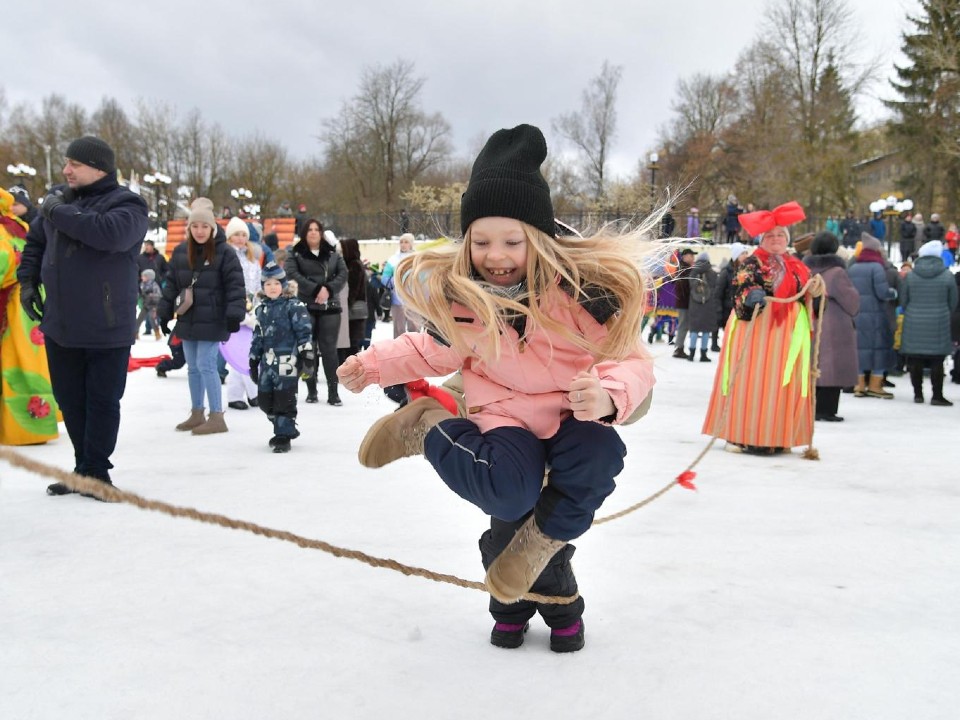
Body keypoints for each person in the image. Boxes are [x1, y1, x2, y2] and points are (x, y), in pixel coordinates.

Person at [336, 124, 656, 653]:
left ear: (540, 240)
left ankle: (541, 545)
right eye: (481, 241)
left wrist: (608, 396)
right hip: (504, 416)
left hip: (573, 412)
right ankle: (428, 427)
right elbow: (426, 351)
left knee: (600, 457)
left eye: (513, 240)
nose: (496, 254)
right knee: (509, 491)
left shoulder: (584, 295)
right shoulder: (466, 300)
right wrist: (370, 367)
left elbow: (632, 358)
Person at [17, 136, 149, 496]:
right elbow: (36, 243)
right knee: (70, 398)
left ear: (98, 167)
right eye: (65, 163)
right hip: (62, 323)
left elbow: (107, 235)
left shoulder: (128, 204)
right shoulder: (61, 201)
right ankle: (83, 468)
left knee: (102, 400)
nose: (66, 170)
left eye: (73, 164)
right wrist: (27, 281)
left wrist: (56, 209)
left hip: (107, 324)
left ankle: (97, 471)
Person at [702, 201, 821, 455]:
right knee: (750, 379)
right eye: (770, 235)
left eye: (780, 235)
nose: (776, 239)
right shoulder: (752, 262)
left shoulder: (797, 264)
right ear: (762, 239)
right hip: (756, 329)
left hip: (788, 335)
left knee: (782, 383)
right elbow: (743, 282)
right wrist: (752, 293)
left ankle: (778, 435)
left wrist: (815, 291)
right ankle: (740, 434)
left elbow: (806, 289)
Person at [158, 198, 246, 435]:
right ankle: (197, 412)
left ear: (212, 228)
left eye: (204, 226)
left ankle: (216, 415)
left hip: (213, 317)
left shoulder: (225, 253)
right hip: (187, 318)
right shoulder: (179, 252)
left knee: (206, 365)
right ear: (189, 228)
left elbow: (235, 286)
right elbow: (171, 286)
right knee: (193, 368)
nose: (199, 231)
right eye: (195, 226)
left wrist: (233, 314)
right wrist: (164, 312)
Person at [0, 188, 59, 445]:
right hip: (29, 301)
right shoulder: (18, 226)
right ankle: (35, 422)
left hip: (12, 305)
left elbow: (4, 263)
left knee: (16, 362)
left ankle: (23, 427)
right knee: (31, 362)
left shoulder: (4, 230)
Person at [249, 262, 315, 452]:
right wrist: (253, 360)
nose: (272, 287)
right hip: (267, 363)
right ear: (263, 287)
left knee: (284, 400)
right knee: (264, 400)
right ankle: (282, 425)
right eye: (268, 284)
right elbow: (257, 337)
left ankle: (283, 434)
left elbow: (304, 333)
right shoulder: (261, 310)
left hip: (288, 363)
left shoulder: (293, 306)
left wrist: (307, 357)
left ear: (283, 285)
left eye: (276, 283)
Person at [285, 218, 347, 405]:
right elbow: (292, 273)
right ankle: (311, 390)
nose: (313, 232)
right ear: (304, 233)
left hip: (330, 306)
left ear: (321, 233)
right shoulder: (295, 254)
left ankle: (333, 392)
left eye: (316, 229)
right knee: (308, 349)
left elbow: (343, 274)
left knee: (329, 350)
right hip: (306, 305)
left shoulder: (333, 253)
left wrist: (327, 289)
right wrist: (315, 289)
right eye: (309, 229)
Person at [802, 232, 860, 421]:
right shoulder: (837, 272)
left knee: (815, 365)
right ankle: (827, 410)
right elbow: (851, 301)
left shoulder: (806, 269)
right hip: (834, 324)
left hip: (810, 319)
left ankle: (813, 407)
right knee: (832, 368)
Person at [900, 241, 958, 405]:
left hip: (913, 321)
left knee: (915, 359)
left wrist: (912, 311)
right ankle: (937, 395)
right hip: (939, 321)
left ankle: (918, 394)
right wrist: (944, 311)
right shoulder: (947, 276)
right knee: (937, 360)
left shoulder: (911, 275)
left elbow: (904, 300)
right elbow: (953, 301)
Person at [848, 234, 897, 399]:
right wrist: (893, 293)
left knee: (859, 349)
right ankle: (876, 386)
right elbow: (882, 292)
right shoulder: (877, 267)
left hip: (856, 314)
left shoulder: (853, 268)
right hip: (875, 315)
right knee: (878, 349)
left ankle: (859, 385)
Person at [223, 216, 264, 410]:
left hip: (251, 310)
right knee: (237, 354)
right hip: (233, 308)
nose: (240, 238)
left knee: (250, 352)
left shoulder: (252, 259)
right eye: (236, 234)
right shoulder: (225, 256)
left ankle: (244, 393)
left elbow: (257, 285)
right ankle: (245, 393)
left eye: (243, 235)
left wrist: (256, 305)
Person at [713, 242, 748, 351]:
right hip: (727, 310)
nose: (746, 256)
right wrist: (718, 311)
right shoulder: (726, 273)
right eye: (743, 253)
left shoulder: (748, 271)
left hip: (742, 310)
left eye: (746, 253)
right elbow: (718, 294)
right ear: (736, 256)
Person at [381, 233, 418, 337]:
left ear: (411, 244)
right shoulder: (393, 259)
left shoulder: (418, 258)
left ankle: (414, 352)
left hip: (414, 300)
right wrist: (395, 280)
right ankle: (399, 352)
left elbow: (424, 277)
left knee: (414, 330)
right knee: (398, 330)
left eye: (406, 242)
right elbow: (384, 278)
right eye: (401, 242)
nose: (403, 244)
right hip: (397, 300)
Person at [685, 251, 719, 362]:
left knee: (694, 330)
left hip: (694, 304)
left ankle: (691, 354)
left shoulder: (693, 273)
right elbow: (715, 289)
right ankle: (703, 354)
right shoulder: (712, 273)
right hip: (707, 305)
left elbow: (690, 288)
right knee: (705, 330)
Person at [339, 238, 368, 359]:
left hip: (352, 312)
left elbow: (353, 288)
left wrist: (345, 305)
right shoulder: (353, 263)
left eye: (342, 249)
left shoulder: (354, 265)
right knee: (350, 343)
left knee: (351, 344)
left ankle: (352, 371)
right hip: (352, 310)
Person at [671, 248, 696, 358]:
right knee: (683, 326)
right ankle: (679, 348)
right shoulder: (684, 269)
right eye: (691, 255)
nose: (693, 258)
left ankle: (679, 347)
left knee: (683, 325)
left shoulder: (684, 268)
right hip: (683, 303)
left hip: (683, 302)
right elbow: (682, 287)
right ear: (685, 257)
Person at [134, 269, 162, 342]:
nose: (142, 278)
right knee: (139, 319)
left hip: (153, 305)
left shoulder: (154, 284)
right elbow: (139, 294)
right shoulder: (142, 284)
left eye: (144, 276)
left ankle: (157, 333)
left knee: (152, 319)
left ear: (149, 277)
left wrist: (151, 295)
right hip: (145, 305)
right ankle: (135, 333)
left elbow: (159, 295)